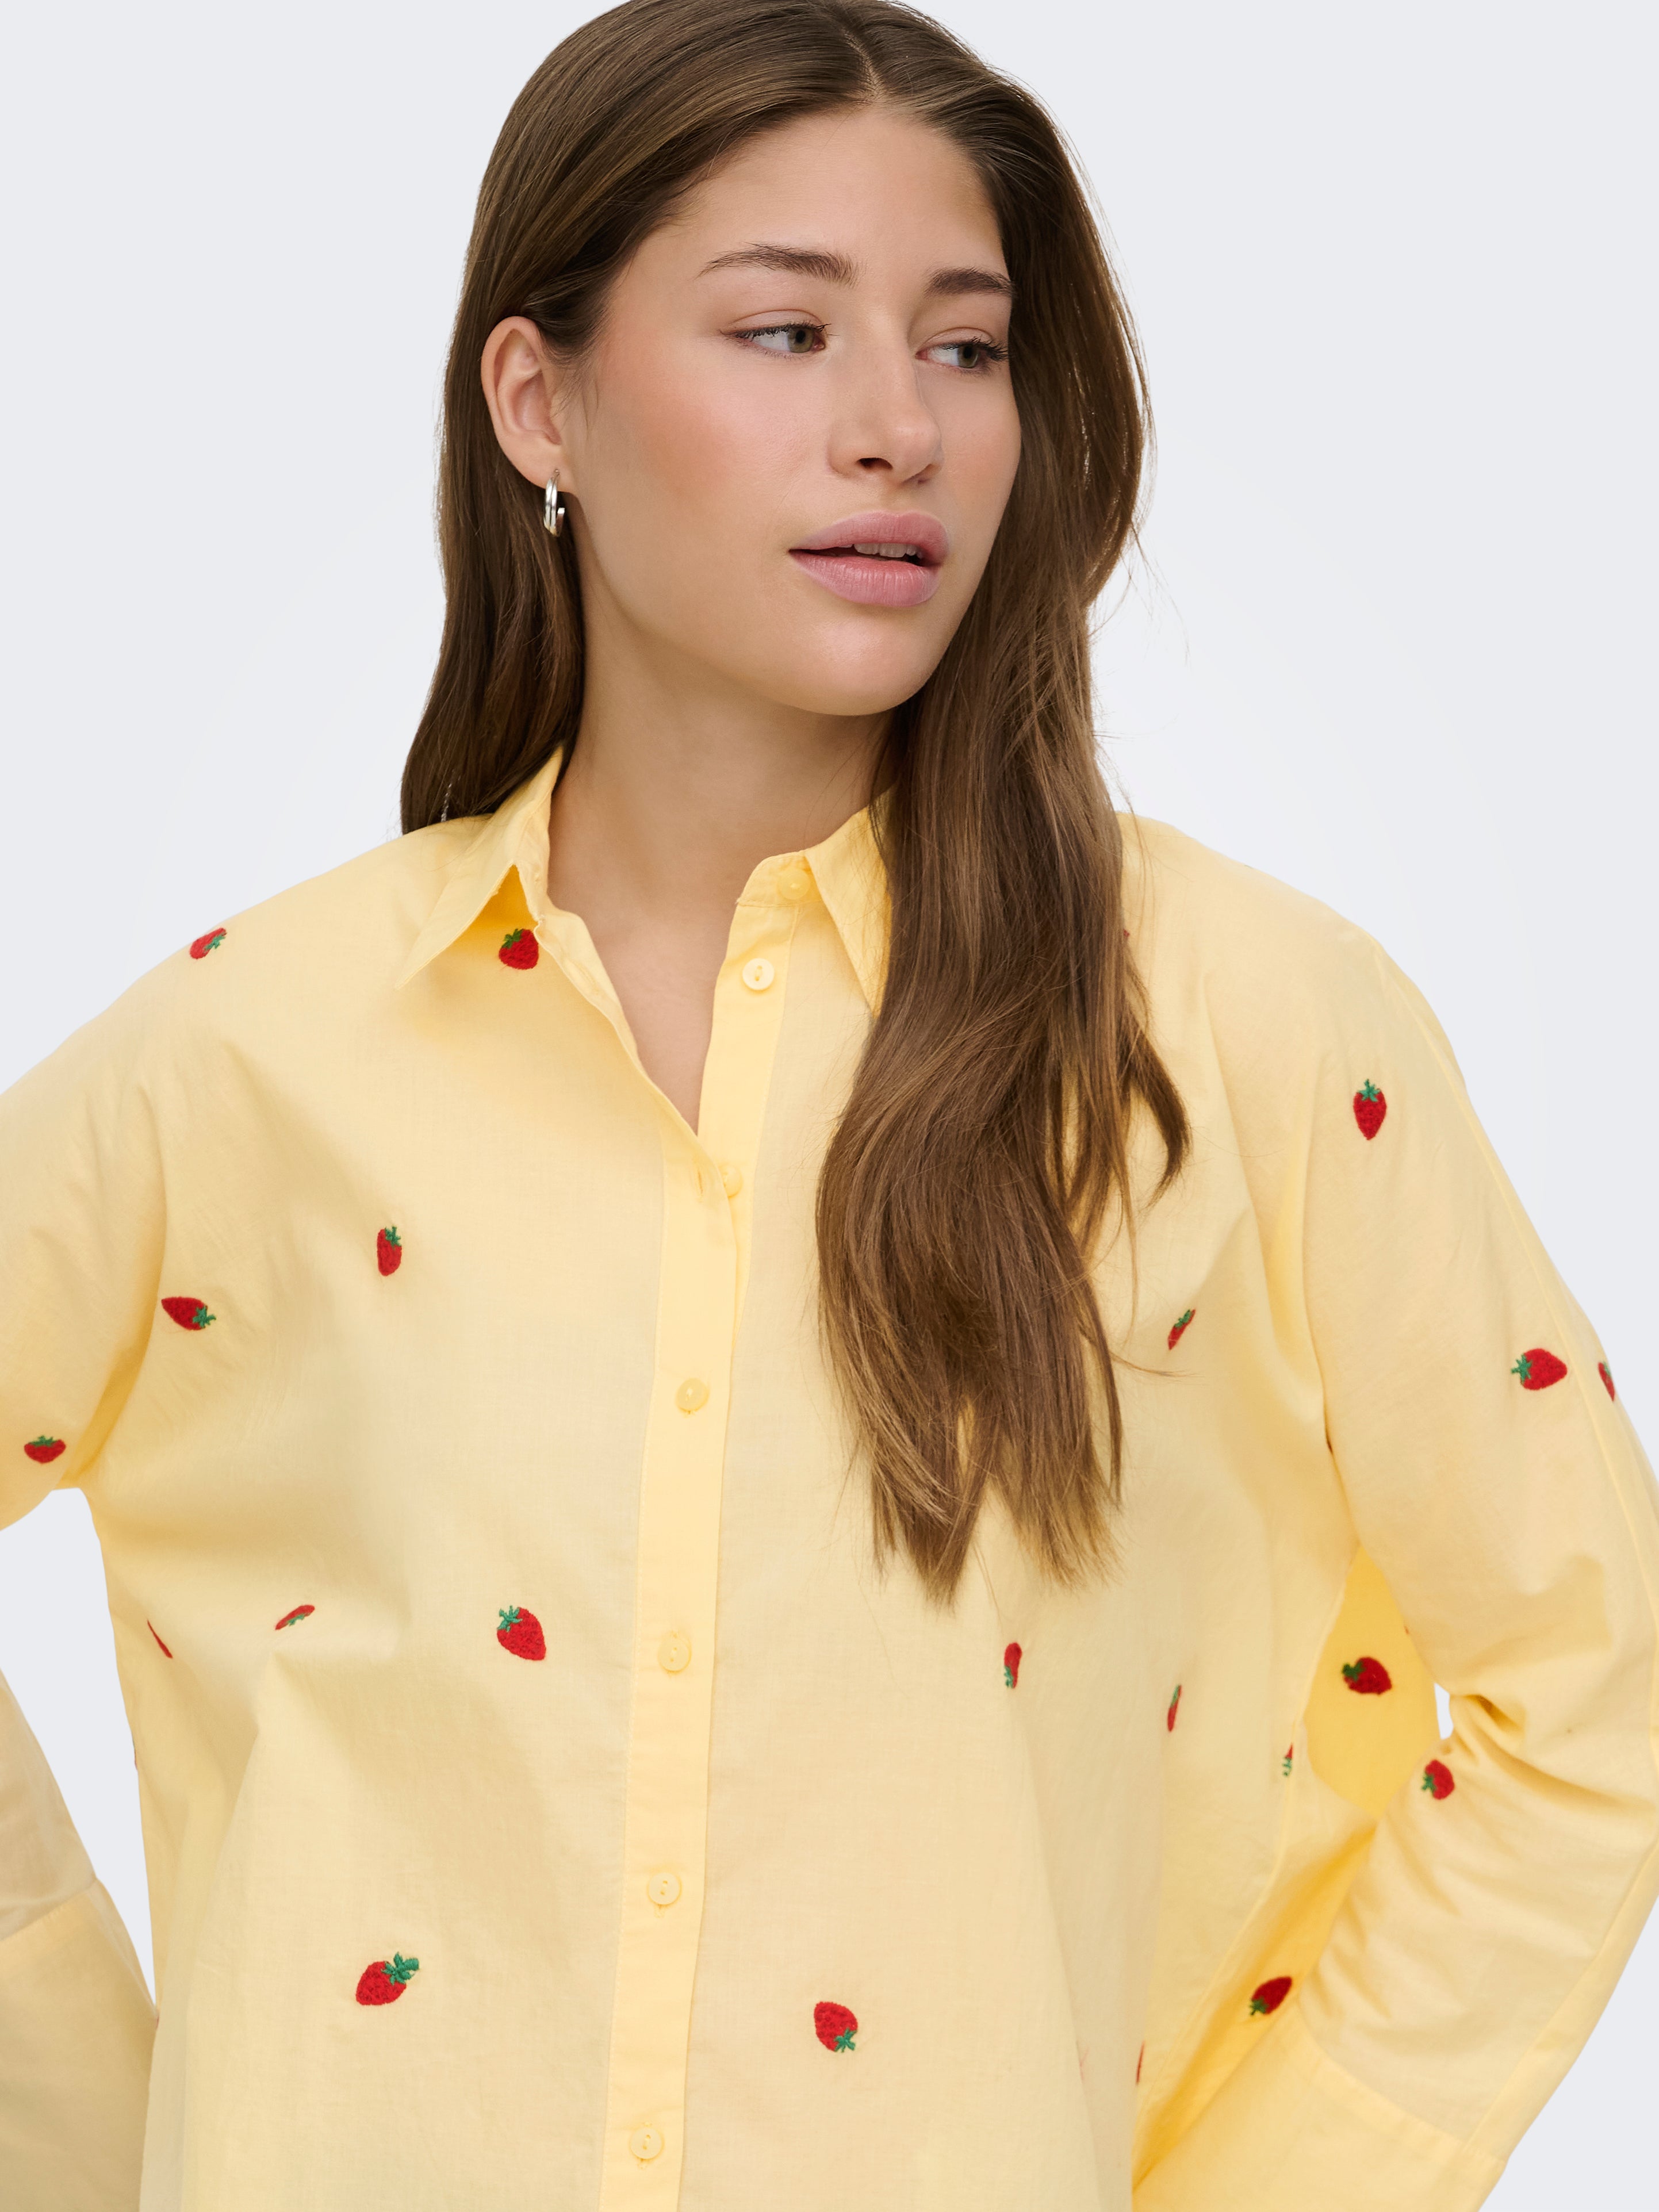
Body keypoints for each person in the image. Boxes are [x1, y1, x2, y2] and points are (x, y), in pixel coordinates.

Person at [1, 1, 1654, 2206]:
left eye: (965, 349)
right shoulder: (250, 1055)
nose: (899, 429)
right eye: (786, 333)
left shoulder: (1245, 1029)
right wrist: (104, 2129)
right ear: (540, 402)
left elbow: (1592, 1686)